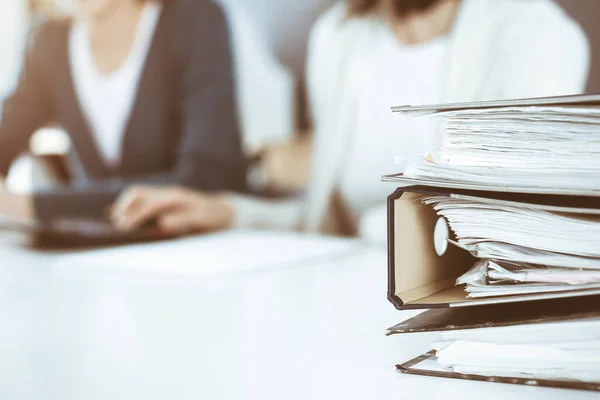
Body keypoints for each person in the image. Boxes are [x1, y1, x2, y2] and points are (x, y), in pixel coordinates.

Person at [111, 0, 590, 243]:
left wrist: (367, 231)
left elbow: (510, 232)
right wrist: (228, 212)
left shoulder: (537, 36)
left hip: (466, 330)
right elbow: (328, 224)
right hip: (340, 315)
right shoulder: (339, 39)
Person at [0, 0, 247, 222]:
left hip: (209, 250)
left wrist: (32, 206)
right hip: (103, 254)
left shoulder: (194, 18)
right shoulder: (48, 41)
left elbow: (203, 182)